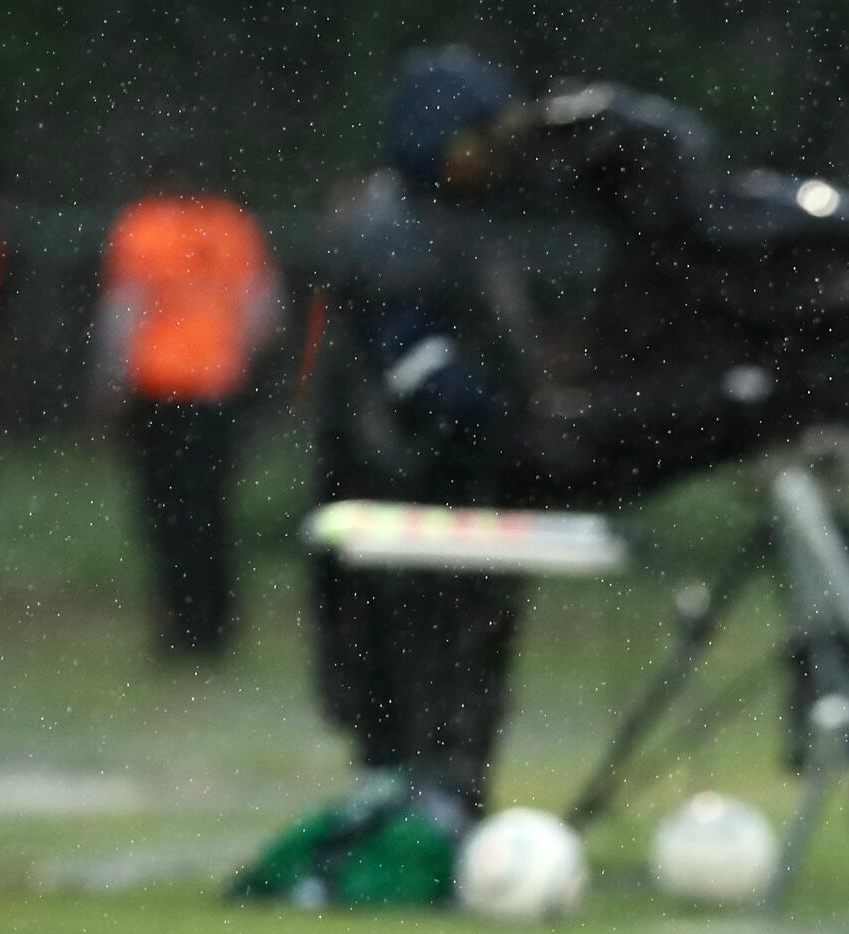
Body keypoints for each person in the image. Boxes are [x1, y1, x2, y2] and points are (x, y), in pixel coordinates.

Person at [310, 49, 797, 822]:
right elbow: (421, 373)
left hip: (460, 489)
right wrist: (518, 422)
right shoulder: (391, 228)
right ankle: (413, 816)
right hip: (407, 494)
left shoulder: (451, 224)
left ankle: (452, 806)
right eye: (475, 140)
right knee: (410, 676)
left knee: (469, 667)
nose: (488, 158)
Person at [95, 150, 281, 661]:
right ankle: (214, 623)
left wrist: (111, 384)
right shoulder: (232, 226)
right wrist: (227, 354)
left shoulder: (142, 227)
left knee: (166, 512)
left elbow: (122, 315)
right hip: (218, 389)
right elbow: (265, 312)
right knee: (212, 508)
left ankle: (178, 623)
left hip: (159, 389)